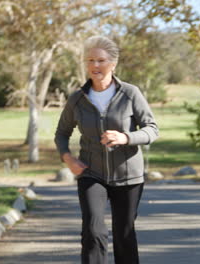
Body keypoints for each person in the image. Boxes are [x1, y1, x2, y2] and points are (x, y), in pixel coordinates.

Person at [54, 35, 158, 264]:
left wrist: (126, 137)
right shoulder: (77, 99)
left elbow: (152, 129)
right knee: (93, 231)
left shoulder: (130, 93)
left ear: (113, 63)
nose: (95, 65)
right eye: (90, 60)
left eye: (100, 60)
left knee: (124, 234)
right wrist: (67, 157)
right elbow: (62, 133)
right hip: (91, 173)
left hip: (128, 176)